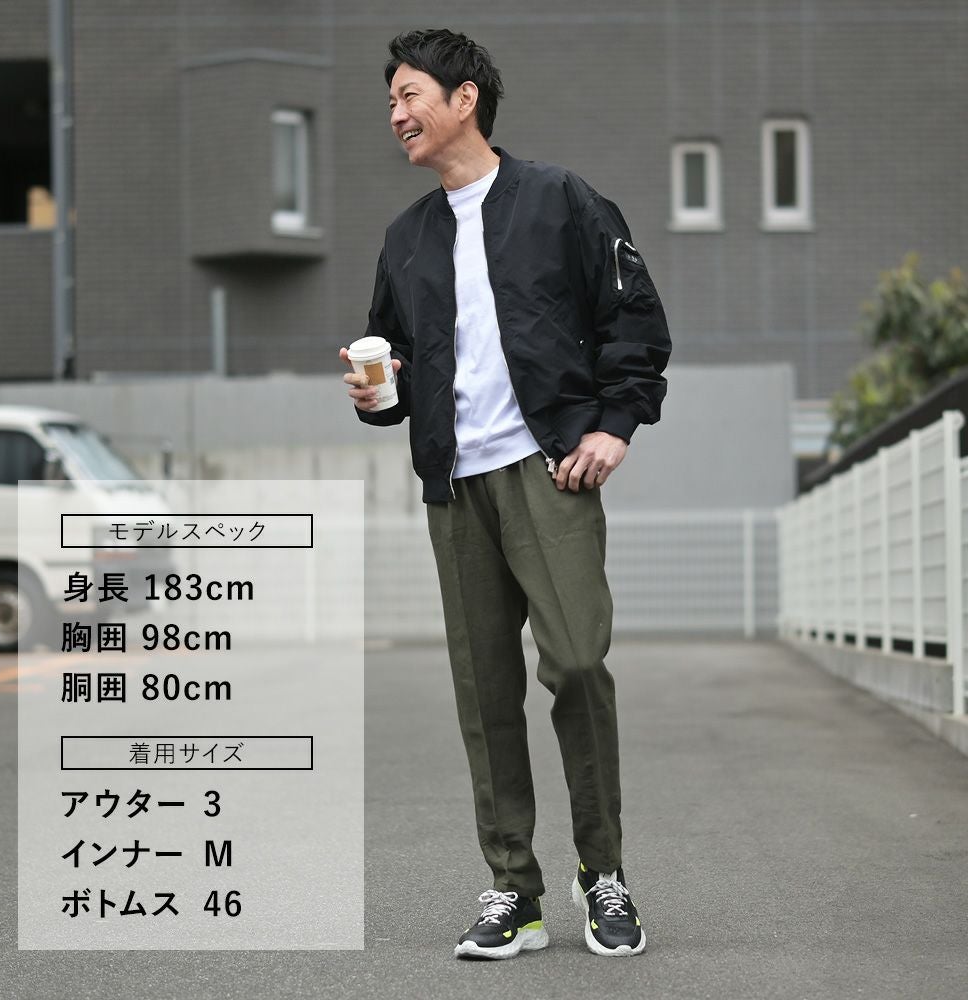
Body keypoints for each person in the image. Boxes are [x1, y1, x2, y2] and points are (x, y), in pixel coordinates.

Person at [340, 28, 670, 960]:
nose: (397, 114)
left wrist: (614, 424)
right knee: (484, 691)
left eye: (410, 95)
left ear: (465, 99)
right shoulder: (406, 238)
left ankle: (603, 873)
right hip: (455, 486)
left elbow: (634, 318)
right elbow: (396, 366)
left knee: (576, 662)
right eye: (391, 101)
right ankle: (512, 889)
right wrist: (377, 393)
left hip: (548, 466)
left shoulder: (560, 200)